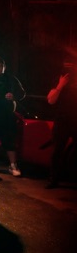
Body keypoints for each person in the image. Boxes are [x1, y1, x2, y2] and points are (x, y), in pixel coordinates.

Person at [45, 61, 77, 189]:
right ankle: (53, 179)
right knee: (57, 151)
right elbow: (51, 100)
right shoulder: (60, 81)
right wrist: (60, 85)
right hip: (62, 122)